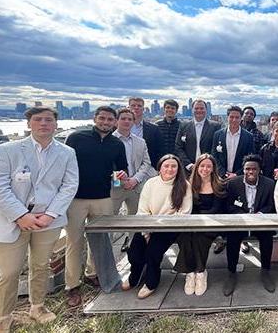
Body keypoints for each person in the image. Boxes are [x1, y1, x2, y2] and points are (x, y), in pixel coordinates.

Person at [0, 106, 78, 333]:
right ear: (29, 124)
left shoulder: (67, 152)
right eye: (38, 120)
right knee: (8, 272)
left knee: (40, 265)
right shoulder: (7, 150)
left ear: (55, 125)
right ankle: (3, 320)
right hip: (11, 221)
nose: (44, 124)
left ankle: (37, 306)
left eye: (49, 120)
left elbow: (69, 186)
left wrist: (49, 215)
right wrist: (21, 215)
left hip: (48, 221)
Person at [64, 106, 128, 307]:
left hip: (102, 197)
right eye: (102, 118)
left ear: (114, 122)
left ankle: (93, 274)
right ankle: (72, 285)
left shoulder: (117, 144)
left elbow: (121, 169)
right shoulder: (76, 138)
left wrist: (121, 176)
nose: (106, 122)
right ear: (95, 118)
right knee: (74, 242)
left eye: (110, 120)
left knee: (101, 240)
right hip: (75, 199)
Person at [124, 154, 193, 298]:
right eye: (166, 166)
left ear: (178, 168)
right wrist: (147, 231)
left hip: (169, 228)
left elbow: (184, 213)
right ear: (159, 168)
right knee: (134, 253)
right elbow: (142, 210)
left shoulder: (184, 185)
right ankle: (135, 276)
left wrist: (158, 227)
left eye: (174, 166)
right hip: (147, 226)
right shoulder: (151, 183)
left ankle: (151, 283)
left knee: (153, 253)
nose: (170, 169)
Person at [223, 155, 276, 296]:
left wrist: (260, 214)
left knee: (267, 236)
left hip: (260, 220)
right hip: (241, 220)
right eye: (247, 169)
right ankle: (231, 273)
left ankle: (265, 271)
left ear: (259, 170)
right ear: (244, 169)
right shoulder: (233, 184)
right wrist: (243, 215)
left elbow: (271, 205)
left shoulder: (269, 184)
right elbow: (229, 205)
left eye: (254, 169)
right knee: (232, 236)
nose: (250, 172)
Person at [174, 154, 226, 296]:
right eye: (202, 165)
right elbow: (188, 207)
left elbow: (216, 209)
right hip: (192, 223)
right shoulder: (188, 185)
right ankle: (191, 273)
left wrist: (201, 220)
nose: (205, 169)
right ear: (197, 167)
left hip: (212, 223)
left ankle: (201, 272)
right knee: (185, 236)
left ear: (213, 168)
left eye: (209, 166)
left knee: (200, 238)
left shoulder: (220, 184)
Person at [111, 108, 157, 216]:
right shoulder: (108, 141)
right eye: (123, 119)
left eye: (130, 119)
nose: (126, 121)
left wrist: (135, 180)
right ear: (116, 121)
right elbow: (105, 165)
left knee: (136, 218)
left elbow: (146, 163)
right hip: (115, 187)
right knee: (110, 218)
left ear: (133, 122)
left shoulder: (140, 142)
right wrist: (118, 181)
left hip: (136, 186)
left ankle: (132, 234)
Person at [175, 99, 221, 176]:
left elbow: (216, 149)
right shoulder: (183, 125)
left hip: (208, 170)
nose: (199, 110)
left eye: (202, 108)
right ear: (192, 110)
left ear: (206, 110)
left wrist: (208, 165)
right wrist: (189, 165)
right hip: (188, 170)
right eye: (196, 108)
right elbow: (178, 147)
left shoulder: (216, 126)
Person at [212, 106, 254, 178]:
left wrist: (237, 174)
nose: (234, 120)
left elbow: (249, 158)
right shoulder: (218, 134)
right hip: (220, 176)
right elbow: (214, 155)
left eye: (237, 117)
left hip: (239, 177)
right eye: (231, 117)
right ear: (227, 117)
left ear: (241, 118)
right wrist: (223, 173)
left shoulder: (248, 137)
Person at [128, 97, 163, 166]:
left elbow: (160, 151)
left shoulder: (154, 129)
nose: (136, 108)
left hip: (147, 168)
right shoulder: (120, 127)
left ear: (143, 109)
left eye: (139, 106)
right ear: (128, 108)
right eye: (133, 105)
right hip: (125, 168)